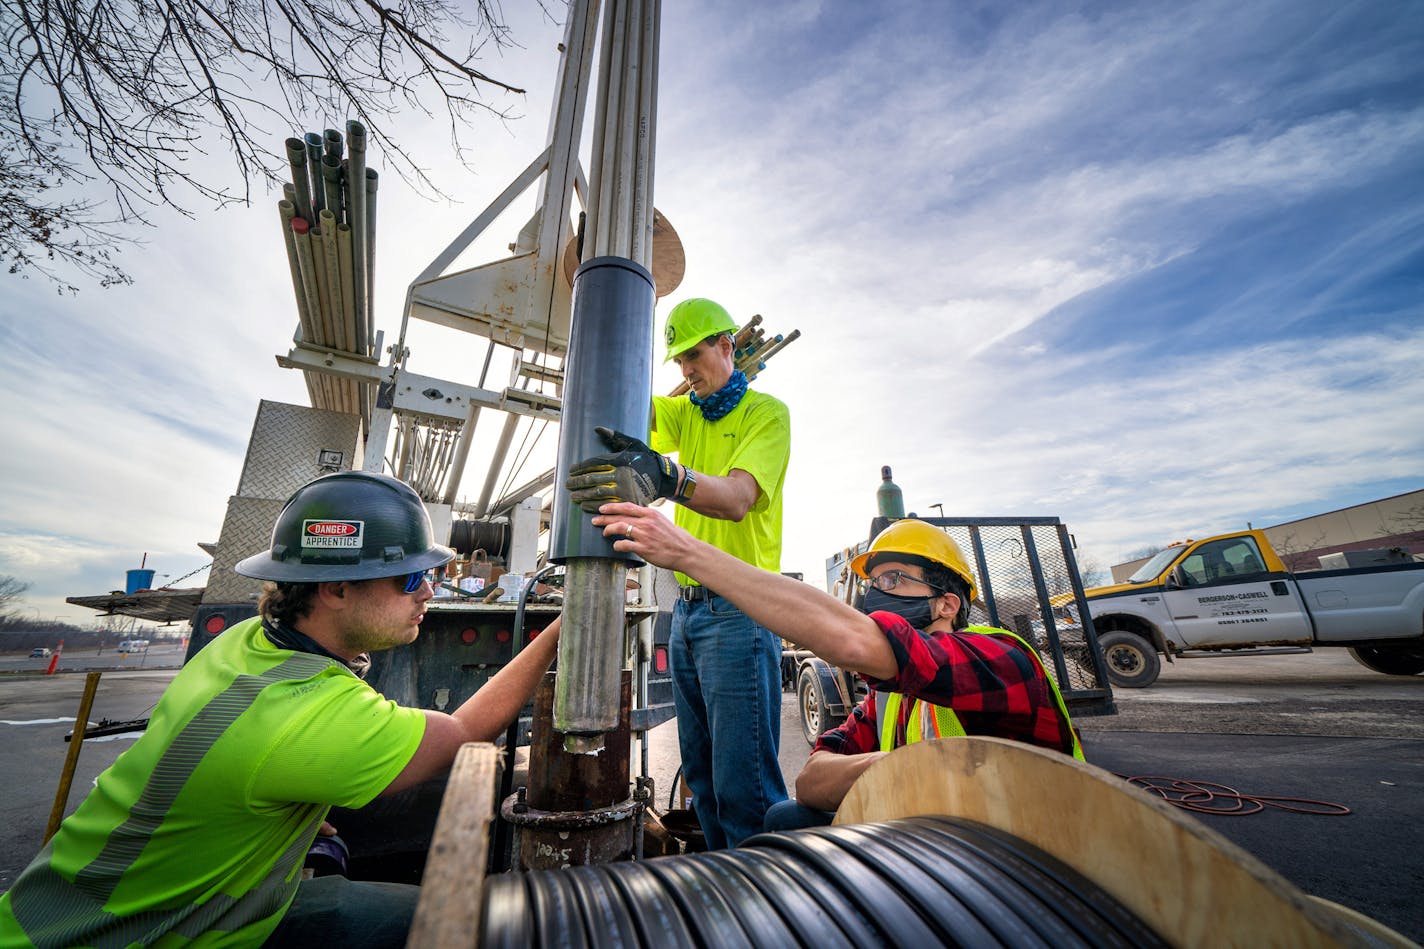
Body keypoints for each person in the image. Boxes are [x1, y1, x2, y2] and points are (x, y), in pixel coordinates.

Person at [0, 471, 561, 948]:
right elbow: (466, 731)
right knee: (466, 925)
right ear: (335, 589)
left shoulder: (247, 642)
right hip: (144, 935)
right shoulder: (307, 716)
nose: (428, 593)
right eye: (411, 577)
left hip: (60, 910)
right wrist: (564, 624)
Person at [584, 504, 1083, 832]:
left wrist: (687, 553)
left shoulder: (1003, 661)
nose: (876, 594)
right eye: (874, 581)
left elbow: (852, 639)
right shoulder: (892, 701)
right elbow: (811, 782)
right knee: (785, 817)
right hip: (938, 849)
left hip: (1037, 863)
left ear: (947, 604)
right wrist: (892, 768)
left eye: (895, 580)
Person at [566, 297, 791, 849]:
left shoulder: (766, 414)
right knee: (705, 783)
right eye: (678, 361)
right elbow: (619, 413)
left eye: (694, 355)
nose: (686, 370)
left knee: (746, 789)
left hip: (741, 611)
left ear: (726, 346)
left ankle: (761, 902)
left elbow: (737, 498)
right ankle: (721, 884)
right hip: (688, 612)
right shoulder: (684, 413)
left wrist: (668, 475)